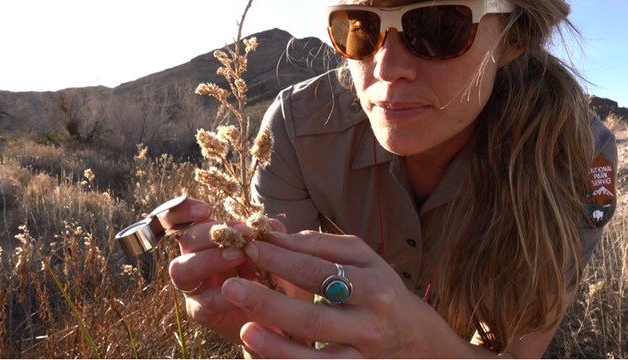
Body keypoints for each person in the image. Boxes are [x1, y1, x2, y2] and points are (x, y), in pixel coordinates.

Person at [164, 0, 618, 357]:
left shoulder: (580, 157)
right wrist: (261, 318)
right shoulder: (295, 130)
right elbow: (289, 327)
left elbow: (515, 353)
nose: (385, 68)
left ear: (513, 36)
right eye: (358, 27)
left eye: (440, 26)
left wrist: (425, 351)